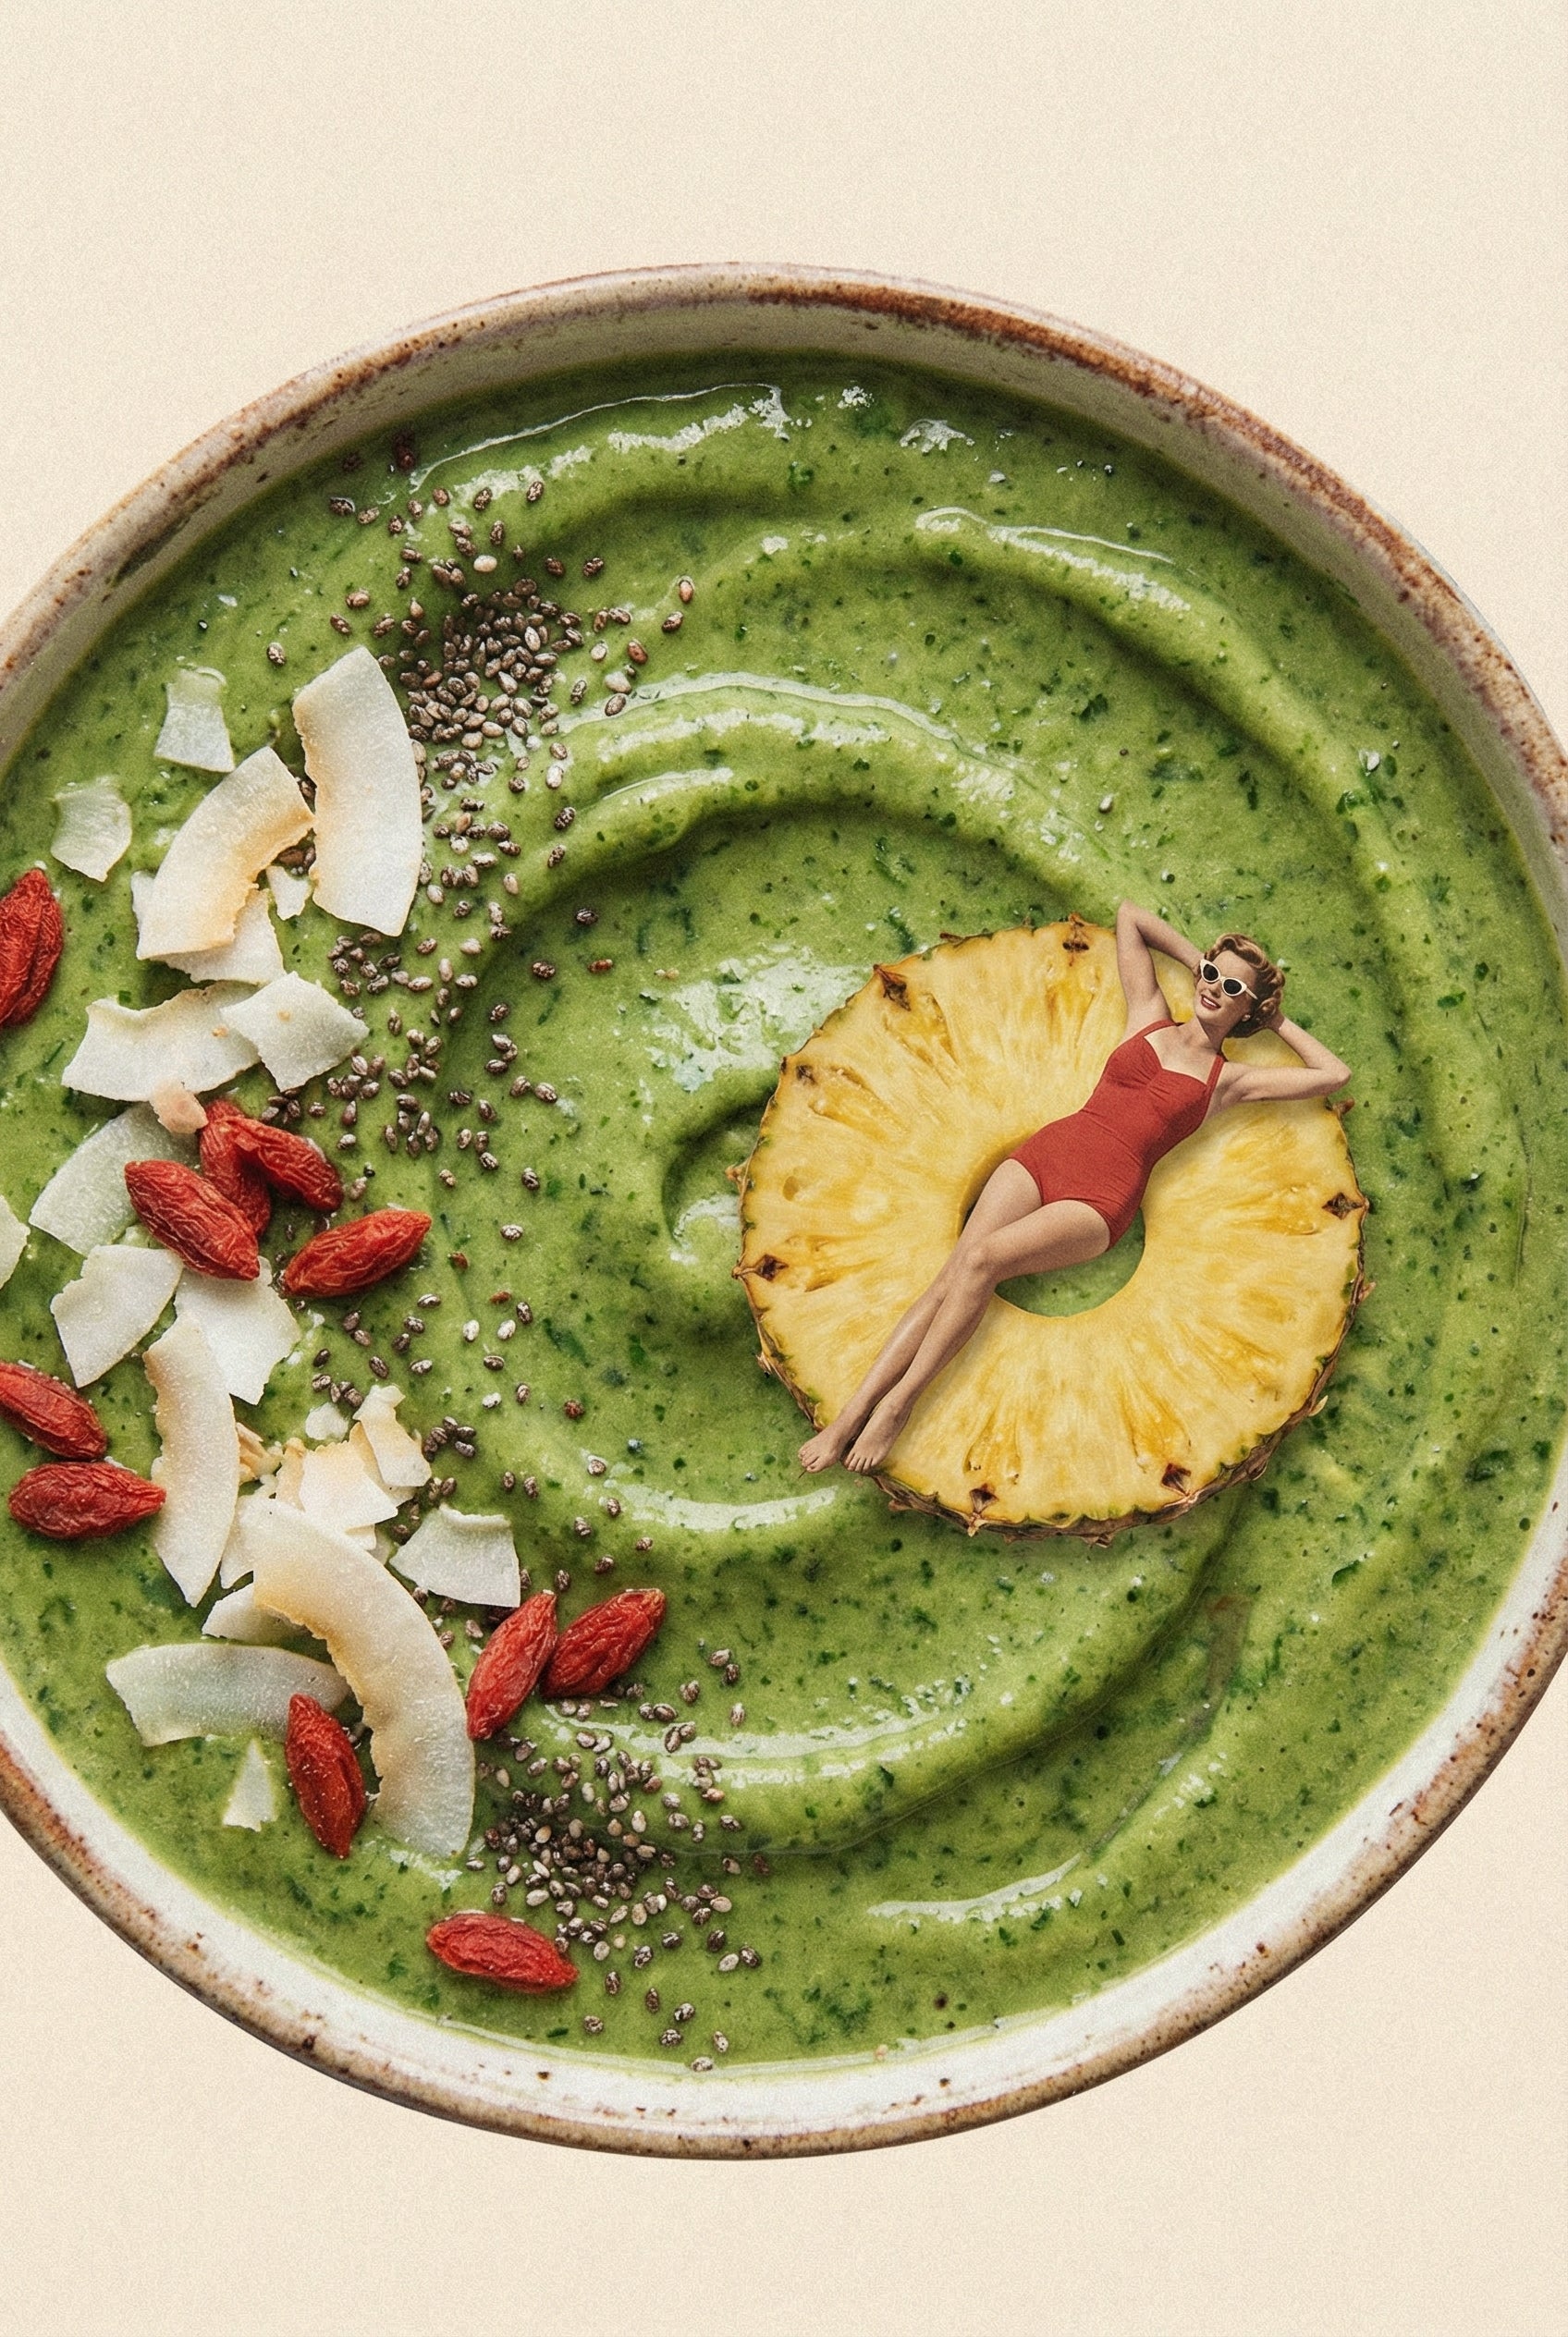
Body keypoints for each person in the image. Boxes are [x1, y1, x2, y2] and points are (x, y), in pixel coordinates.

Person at [799, 901, 1351, 1476]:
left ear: (1248, 1007)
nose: (1213, 988)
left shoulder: (1229, 1080)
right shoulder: (1149, 1016)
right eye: (1212, 974)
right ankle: (849, 1417)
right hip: (1051, 1150)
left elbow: (1332, 1074)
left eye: (1230, 987)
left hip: (1100, 1198)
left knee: (983, 1260)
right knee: (951, 1274)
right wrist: (1200, 964)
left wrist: (1270, 1018)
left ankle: (898, 1404)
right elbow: (1131, 917)